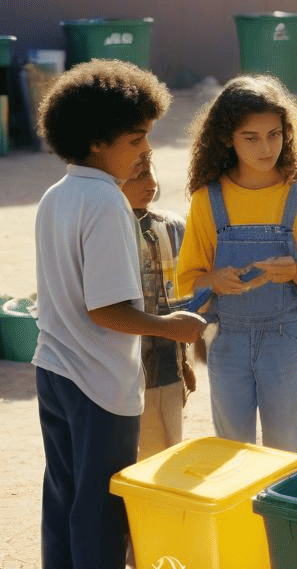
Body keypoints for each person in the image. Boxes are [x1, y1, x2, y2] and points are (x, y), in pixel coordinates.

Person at [32, 60, 206, 569]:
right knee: (102, 508)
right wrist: (170, 327)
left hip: (53, 370)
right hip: (98, 384)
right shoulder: (106, 201)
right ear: (95, 142)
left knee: (62, 495)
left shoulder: (55, 195)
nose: (147, 151)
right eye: (136, 141)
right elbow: (107, 310)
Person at [177, 75, 297, 456]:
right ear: (225, 138)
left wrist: (296, 271)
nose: (266, 147)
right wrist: (213, 280)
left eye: (275, 134)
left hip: (286, 341)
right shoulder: (206, 200)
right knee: (232, 453)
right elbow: (188, 281)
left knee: (289, 450)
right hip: (226, 341)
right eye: (251, 137)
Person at [121, 156, 195, 460]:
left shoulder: (172, 226)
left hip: (168, 367)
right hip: (126, 370)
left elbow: (179, 301)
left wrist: (185, 362)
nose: (150, 184)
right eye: (137, 177)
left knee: (170, 448)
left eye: (150, 174)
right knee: (140, 453)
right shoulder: (109, 228)